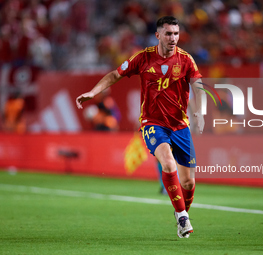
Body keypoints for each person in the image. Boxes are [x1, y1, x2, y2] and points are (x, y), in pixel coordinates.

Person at [76, 16, 205, 238]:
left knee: (189, 182)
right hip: (152, 123)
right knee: (167, 162)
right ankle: (183, 216)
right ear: (158, 35)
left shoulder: (186, 60)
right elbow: (116, 74)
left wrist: (199, 111)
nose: (173, 38)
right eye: (168, 33)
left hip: (180, 125)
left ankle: (180, 213)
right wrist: (93, 92)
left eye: (176, 33)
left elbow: (198, 85)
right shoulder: (143, 58)